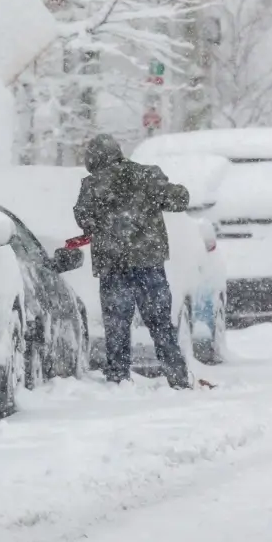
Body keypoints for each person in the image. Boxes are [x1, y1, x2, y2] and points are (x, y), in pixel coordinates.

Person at [72, 133, 193, 388]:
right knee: (160, 323)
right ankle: (177, 376)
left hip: (112, 267)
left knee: (116, 326)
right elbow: (179, 199)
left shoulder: (93, 185)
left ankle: (118, 378)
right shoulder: (147, 175)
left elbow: (84, 220)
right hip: (148, 264)